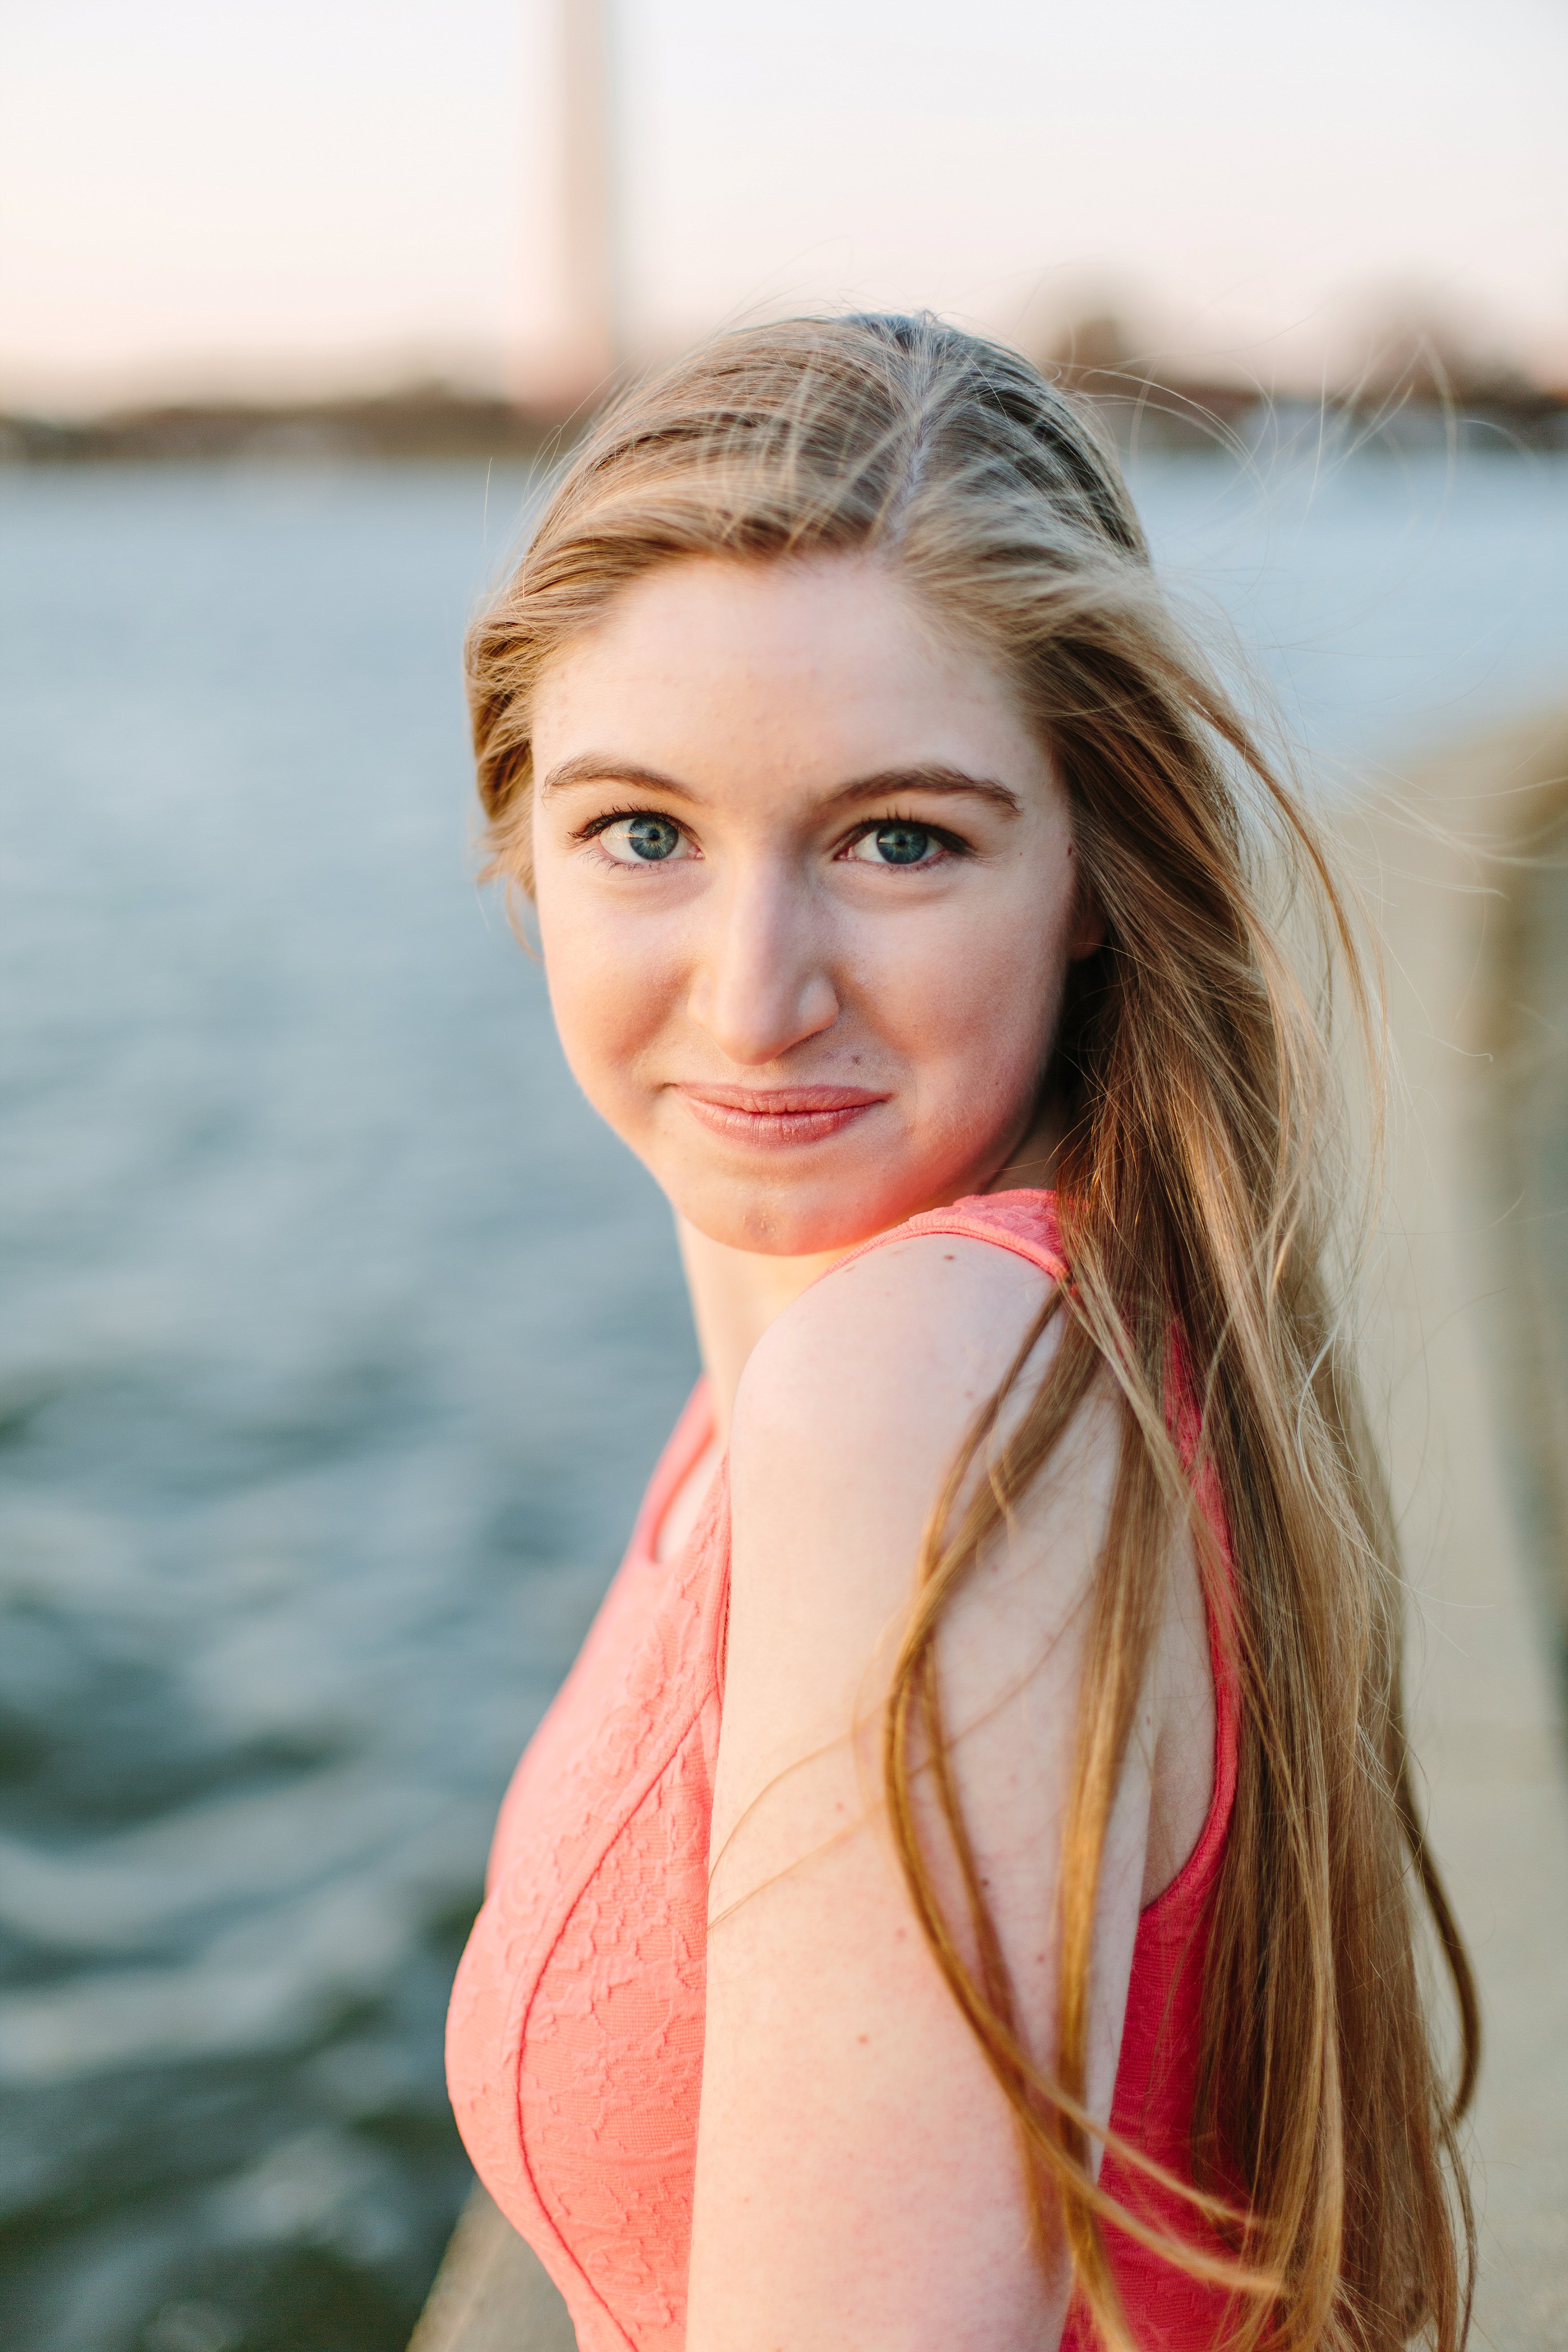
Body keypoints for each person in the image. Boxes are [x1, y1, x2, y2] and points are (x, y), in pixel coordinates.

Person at [445, 314, 1477, 2352]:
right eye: (640, 831)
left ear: (1092, 868)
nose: (754, 995)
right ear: (522, 848)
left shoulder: (921, 1387)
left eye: (896, 838)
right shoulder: (928, 1353)